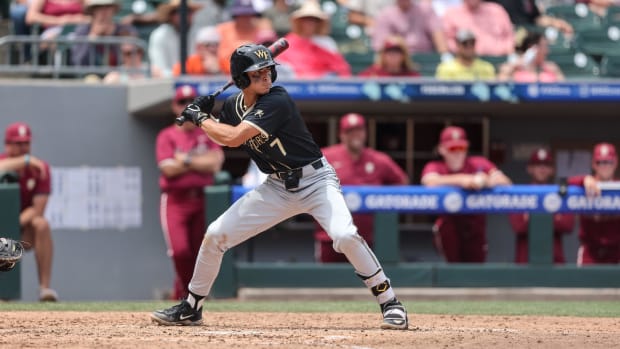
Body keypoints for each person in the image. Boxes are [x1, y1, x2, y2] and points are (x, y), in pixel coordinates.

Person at [151, 43, 409, 330]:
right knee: (215, 235)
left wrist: (201, 118)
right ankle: (192, 307)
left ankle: (391, 302)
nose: (266, 77)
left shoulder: (277, 99)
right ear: (240, 78)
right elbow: (219, 136)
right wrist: (205, 112)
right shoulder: (233, 107)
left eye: (268, 70)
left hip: (315, 181)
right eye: (257, 72)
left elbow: (234, 137)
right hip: (276, 186)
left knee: (345, 236)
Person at [155, 85, 225, 300]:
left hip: (203, 198)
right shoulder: (167, 135)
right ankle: (188, 293)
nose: (186, 106)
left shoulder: (205, 131)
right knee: (181, 251)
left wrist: (184, 160)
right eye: (181, 102)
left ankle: (188, 296)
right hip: (176, 200)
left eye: (190, 102)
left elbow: (215, 164)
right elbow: (168, 168)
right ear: (174, 107)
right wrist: (198, 163)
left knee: (200, 252)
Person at [315, 113, 408, 263]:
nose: (355, 135)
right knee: (327, 283)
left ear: (365, 133)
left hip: (367, 239)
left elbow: (402, 182)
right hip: (330, 238)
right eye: (349, 131)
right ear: (341, 135)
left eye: (359, 130)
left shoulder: (379, 160)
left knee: (368, 283)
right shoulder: (326, 157)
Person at [421, 126, 512, 263]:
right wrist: (464, 180)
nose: (457, 153)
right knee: (451, 271)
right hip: (449, 225)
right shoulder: (435, 166)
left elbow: (505, 182)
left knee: (476, 273)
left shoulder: (478, 163)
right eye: (452, 148)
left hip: (475, 227)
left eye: (461, 148)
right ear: (441, 149)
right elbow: (429, 181)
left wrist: (484, 180)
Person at [0, 122, 57, 301]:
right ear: (7, 145)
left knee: (41, 224)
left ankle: (44, 289)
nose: (23, 147)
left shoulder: (40, 169)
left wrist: (12, 225)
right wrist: (25, 160)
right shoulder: (4, 162)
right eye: (18, 143)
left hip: (22, 230)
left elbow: (38, 210)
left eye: (26, 143)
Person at [508, 147, 574, 264]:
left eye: (546, 165)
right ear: (530, 169)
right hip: (525, 261)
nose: (542, 168)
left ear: (552, 170)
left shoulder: (560, 193)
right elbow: (518, 226)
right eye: (538, 165)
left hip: (555, 261)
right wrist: (553, 215)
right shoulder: (520, 194)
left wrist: (531, 216)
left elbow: (567, 225)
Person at [568, 143, 620, 265]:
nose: (604, 166)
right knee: (584, 283)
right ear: (593, 164)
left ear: (616, 163)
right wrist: (584, 179)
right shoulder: (585, 184)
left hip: (617, 251)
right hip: (590, 251)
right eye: (600, 162)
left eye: (608, 162)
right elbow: (567, 183)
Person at [276, 0, 352, 78]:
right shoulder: (287, 42)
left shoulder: (327, 42)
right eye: (306, 19)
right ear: (300, 21)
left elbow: (341, 67)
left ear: (319, 23)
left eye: (314, 20)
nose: (310, 23)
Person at [71, 0, 137, 68]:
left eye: (108, 7)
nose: (104, 11)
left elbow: (133, 60)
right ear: (93, 10)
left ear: (114, 9)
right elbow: (77, 61)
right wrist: (92, 37)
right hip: (87, 76)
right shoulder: (82, 31)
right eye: (99, 7)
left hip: (118, 76)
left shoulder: (126, 30)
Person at [371, 0, 450, 57]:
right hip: (397, 62)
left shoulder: (426, 9)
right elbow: (380, 47)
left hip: (425, 57)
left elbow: (438, 36)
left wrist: (445, 57)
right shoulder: (385, 15)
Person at [215, 0, 273, 74]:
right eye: (242, 15)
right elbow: (217, 56)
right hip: (226, 71)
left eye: (249, 14)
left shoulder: (261, 28)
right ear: (235, 15)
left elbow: (268, 54)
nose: (245, 18)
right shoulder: (222, 30)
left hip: (256, 71)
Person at [148, 0, 203, 78]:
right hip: (168, 85)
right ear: (171, 15)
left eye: (188, 11)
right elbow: (159, 71)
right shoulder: (159, 35)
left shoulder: (200, 34)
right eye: (179, 11)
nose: (184, 15)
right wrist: (179, 75)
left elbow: (205, 66)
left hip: (196, 84)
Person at [443, 0, 515, 56]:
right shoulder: (451, 14)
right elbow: (448, 42)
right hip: (467, 65)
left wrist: (503, 50)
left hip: (500, 62)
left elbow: (510, 37)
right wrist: (467, 52)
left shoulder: (496, 10)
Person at [498, 30, 565, 83]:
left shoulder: (552, 69)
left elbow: (564, 92)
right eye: (544, 46)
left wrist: (557, 73)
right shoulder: (513, 69)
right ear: (533, 48)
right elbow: (501, 86)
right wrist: (519, 63)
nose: (547, 51)